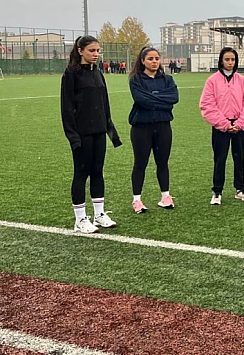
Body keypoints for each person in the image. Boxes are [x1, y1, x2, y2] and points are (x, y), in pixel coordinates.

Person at [60, 36, 122, 234]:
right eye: (91, 51)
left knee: (98, 172)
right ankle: (80, 219)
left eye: (98, 51)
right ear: (80, 51)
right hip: (82, 134)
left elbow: (105, 106)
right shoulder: (71, 75)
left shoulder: (98, 74)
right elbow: (67, 109)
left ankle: (99, 214)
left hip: (99, 133)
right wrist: (73, 138)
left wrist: (111, 133)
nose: (96, 54)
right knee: (81, 174)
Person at [199, 47, 244, 205]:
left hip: (240, 126)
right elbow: (207, 105)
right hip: (220, 127)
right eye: (227, 59)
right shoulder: (212, 81)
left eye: (232, 60)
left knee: (239, 158)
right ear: (221, 60)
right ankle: (217, 191)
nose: (230, 63)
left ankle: (240, 189)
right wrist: (224, 124)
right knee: (220, 159)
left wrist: (240, 123)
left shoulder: (243, 81)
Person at [128, 47, 179, 213]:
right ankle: (137, 200)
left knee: (162, 163)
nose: (154, 61)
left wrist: (153, 96)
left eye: (157, 58)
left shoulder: (168, 79)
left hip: (163, 125)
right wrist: (162, 99)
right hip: (141, 127)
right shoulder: (136, 79)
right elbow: (142, 100)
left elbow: (174, 98)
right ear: (143, 61)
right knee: (140, 163)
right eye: (150, 58)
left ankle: (165, 196)